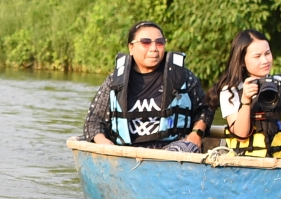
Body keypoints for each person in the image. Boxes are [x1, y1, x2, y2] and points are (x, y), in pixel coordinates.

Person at [84, 21, 214, 152]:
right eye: (145, 42)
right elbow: (94, 120)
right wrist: (103, 141)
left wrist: (196, 134)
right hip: (125, 152)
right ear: (131, 47)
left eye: (159, 42)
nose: (154, 48)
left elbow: (205, 109)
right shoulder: (114, 81)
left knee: (187, 147)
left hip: (173, 149)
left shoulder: (183, 76)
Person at [212, 29, 281, 158]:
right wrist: (245, 100)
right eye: (257, 56)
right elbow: (241, 135)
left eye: (267, 53)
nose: (265, 60)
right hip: (247, 166)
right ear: (242, 61)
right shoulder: (231, 90)